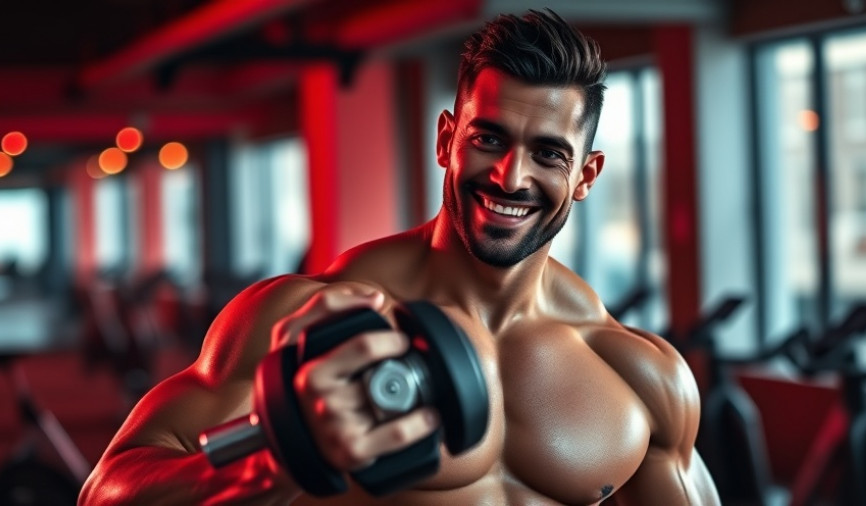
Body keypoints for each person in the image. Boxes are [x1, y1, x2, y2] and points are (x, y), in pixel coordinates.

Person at [79, 9, 720, 505]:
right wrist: (273, 459)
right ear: (447, 139)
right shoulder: (309, 317)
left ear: (586, 174)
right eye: (487, 138)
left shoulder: (639, 376)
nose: (509, 176)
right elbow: (108, 487)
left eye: (548, 154)